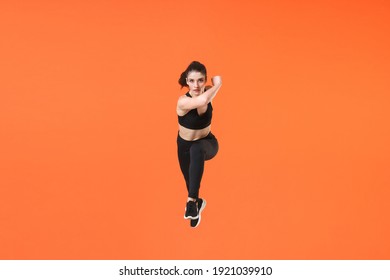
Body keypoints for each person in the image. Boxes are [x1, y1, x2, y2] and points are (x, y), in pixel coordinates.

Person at [176, 61, 222, 228]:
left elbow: (204, 99)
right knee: (191, 186)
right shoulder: (182, 102)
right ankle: (196, 204)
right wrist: (218, 85)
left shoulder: (207, 94)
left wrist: (214, 86)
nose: (196, 85)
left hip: (207, 143)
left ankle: (191, 202)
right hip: (183, 147)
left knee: (197, 148)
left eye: (201, 80)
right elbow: (203, 99)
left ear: (205, 80)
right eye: (192, 81)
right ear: (187, 81)